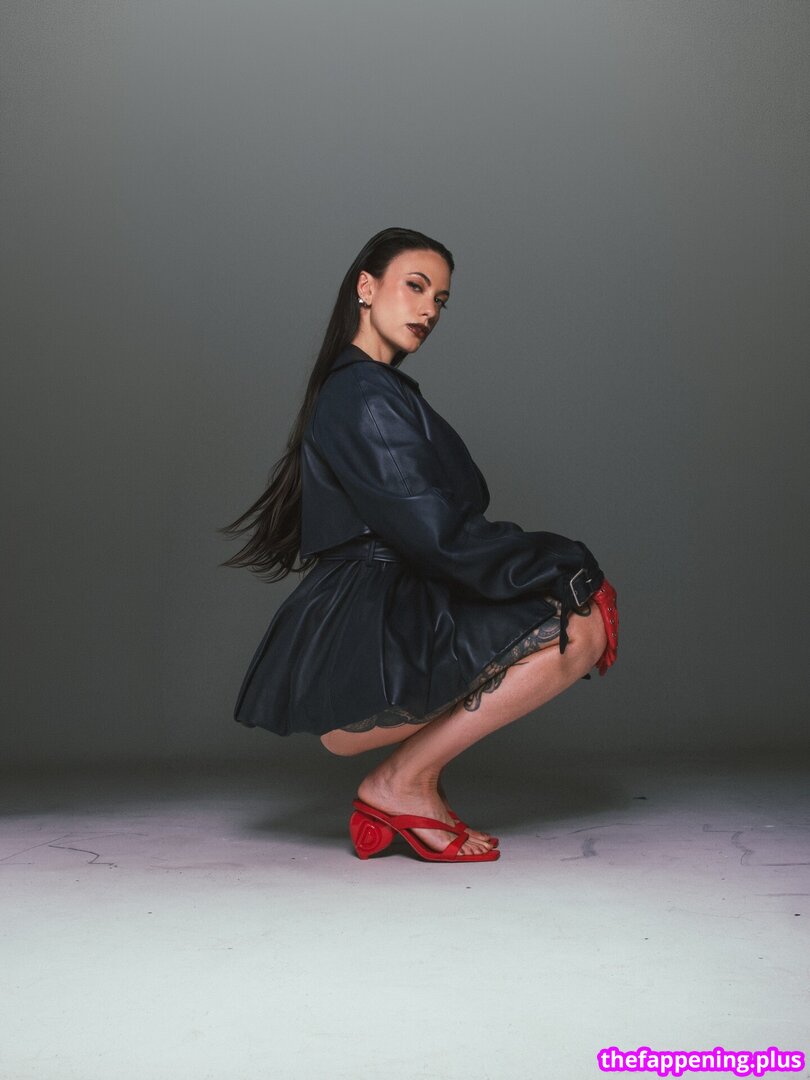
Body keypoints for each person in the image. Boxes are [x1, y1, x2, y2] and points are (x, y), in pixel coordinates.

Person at [219, 226, 619, 864]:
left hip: (389, 601)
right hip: (376, 617)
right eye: (415, 286)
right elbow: (433, 530)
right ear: (366, 287)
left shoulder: (372, 389)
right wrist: (565, 565)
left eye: (441, 299)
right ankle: (401, 784)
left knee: (576, 621)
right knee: (583, 625)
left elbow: (429, 525)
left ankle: (405, 782)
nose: (429, 309)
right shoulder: (361, 393)